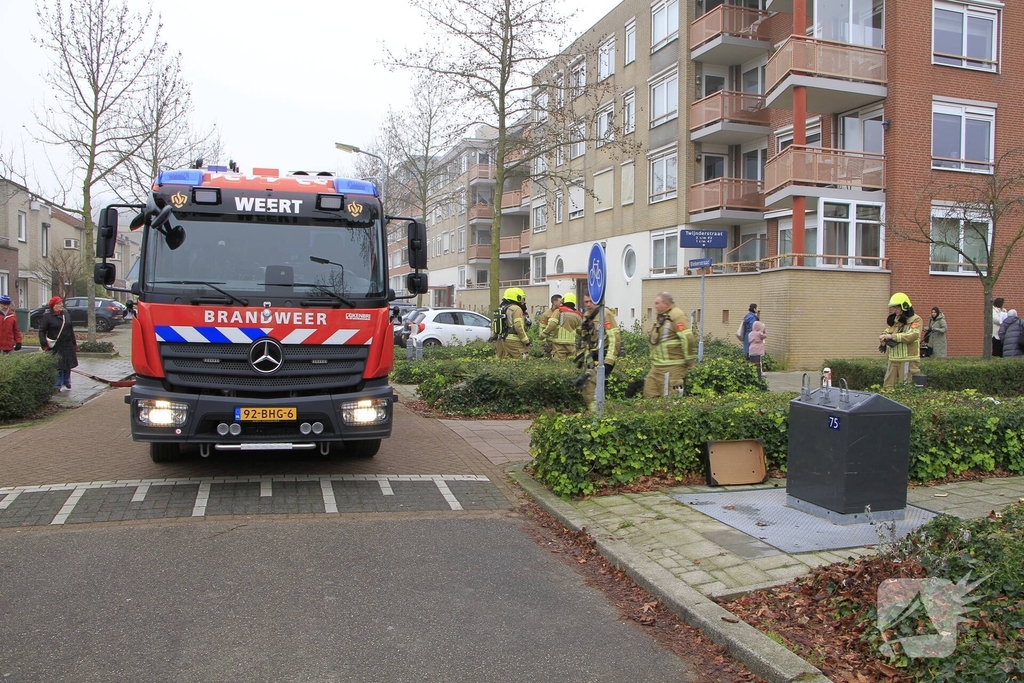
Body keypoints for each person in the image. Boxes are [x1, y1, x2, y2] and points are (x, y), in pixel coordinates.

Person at [643, 292, 698, 398]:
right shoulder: (663, 317)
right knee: (649, 395)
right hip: (657, 367)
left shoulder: (677, 315)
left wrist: (690, 361)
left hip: (672, 368)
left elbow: (688, 338)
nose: (655, 306)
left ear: (665, 303)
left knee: (670, 401)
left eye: (657, 303)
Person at [575, 294, 620, 411]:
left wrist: (609, 362)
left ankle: (596, 417)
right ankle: (597, 415)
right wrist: (581, 359)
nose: (588, 304)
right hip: (590, 360)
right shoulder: (586, 316)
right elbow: (587, 342)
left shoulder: (605, 314)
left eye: (591, 301)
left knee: (591, 389)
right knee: (586, 390)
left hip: (602, 359)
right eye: (586, 302)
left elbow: (614, 338)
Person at [879, 292, 923, 388]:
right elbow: (887, 331)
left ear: (904, 306)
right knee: (888, 386)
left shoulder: (916, 320)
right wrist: (883, 337)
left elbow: (913, 335)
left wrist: (893, 337)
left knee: (905, 387)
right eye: (893, 308)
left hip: (908, 360)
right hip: (893, 359)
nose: (894, 310)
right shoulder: (895, 320)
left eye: (896, 308)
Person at [37, 296, 78, 391]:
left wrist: (74, 343)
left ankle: (67, 381)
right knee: (58, 365)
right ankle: (58, 384)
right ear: (53, 306)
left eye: (61, 303)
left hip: (67, 344)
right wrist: (44, 344)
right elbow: (42, 331)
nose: (61, 305)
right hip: (56, 345)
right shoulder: (47, 316)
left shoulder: (66, 315)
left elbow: (70, 329)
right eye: (59, 303)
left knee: (68, 364)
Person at [492, 287, 531, 359]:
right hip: (514, 340)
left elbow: (494, 325)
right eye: (523, 298)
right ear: (517, 298)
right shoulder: (516, 309)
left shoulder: (502, 308)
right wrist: (526, 341)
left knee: (505, 361)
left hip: (501, 340)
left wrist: (494, 336)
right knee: (523, 358)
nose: (524, 301)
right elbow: (518, 326)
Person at [544, 292, 582, 361]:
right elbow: (580, 331)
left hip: (558, 344)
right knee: (570, 365)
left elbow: (552, 324)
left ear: (564, 301)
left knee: (559, 365)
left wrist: (543, 334)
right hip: (571, 344)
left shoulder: (559, 311)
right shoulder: (578, 315)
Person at [537, 294, 562, 358]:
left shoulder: (561, 312)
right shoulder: (546, 314)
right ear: (555, 302)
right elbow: (542, 328)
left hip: (559, 342)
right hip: (550, 343)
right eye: (560, 302)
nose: (562, 304)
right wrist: (543, 342)